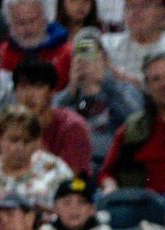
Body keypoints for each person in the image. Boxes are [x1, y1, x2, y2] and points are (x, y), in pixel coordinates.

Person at [99, 51, 165, 193]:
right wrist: (110, 187)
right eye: (156, 79)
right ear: (147, 87)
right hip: (138, 205)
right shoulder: (131, 127)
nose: (164, 84)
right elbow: (107, 173)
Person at [55, 27, 146, 178]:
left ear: (105, 59)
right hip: (74, 167)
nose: (85, 60)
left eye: (90, 54)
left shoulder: (123, 89)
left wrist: (105, 81)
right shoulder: (66, 97)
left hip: (113, 166)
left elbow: (137, 120)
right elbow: (50, 125)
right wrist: (71, 90)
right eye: (80, 55)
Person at [0, 105, 74, 230]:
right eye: (13, 140)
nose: (19, 147)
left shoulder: (56, 169)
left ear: (37, 142)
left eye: (27, 141)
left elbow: (72, 208)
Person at [0, 59, 93, 176]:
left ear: (52, 92)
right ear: (15, 91)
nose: (30, 94)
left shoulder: (73, 127)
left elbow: (70, 178)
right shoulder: (2, 127)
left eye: (38, 87)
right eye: (23, 86)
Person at [101, 0, 165, 85]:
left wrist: (137, 85)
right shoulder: (106, 43)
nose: (136, 12)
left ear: (160, 12)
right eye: (130, 6)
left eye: (144, 6)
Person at [37, 175, 125, 230]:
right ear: (55, 208)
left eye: (82, 202)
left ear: (92, 209)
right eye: (67, 202)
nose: (74, 208)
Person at [0, 0, 74, 89]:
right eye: (21, 23)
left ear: (45, 19)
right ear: (9, 24)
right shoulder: (2, 55)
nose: (27, 29)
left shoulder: (67, 53)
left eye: (32, 21)